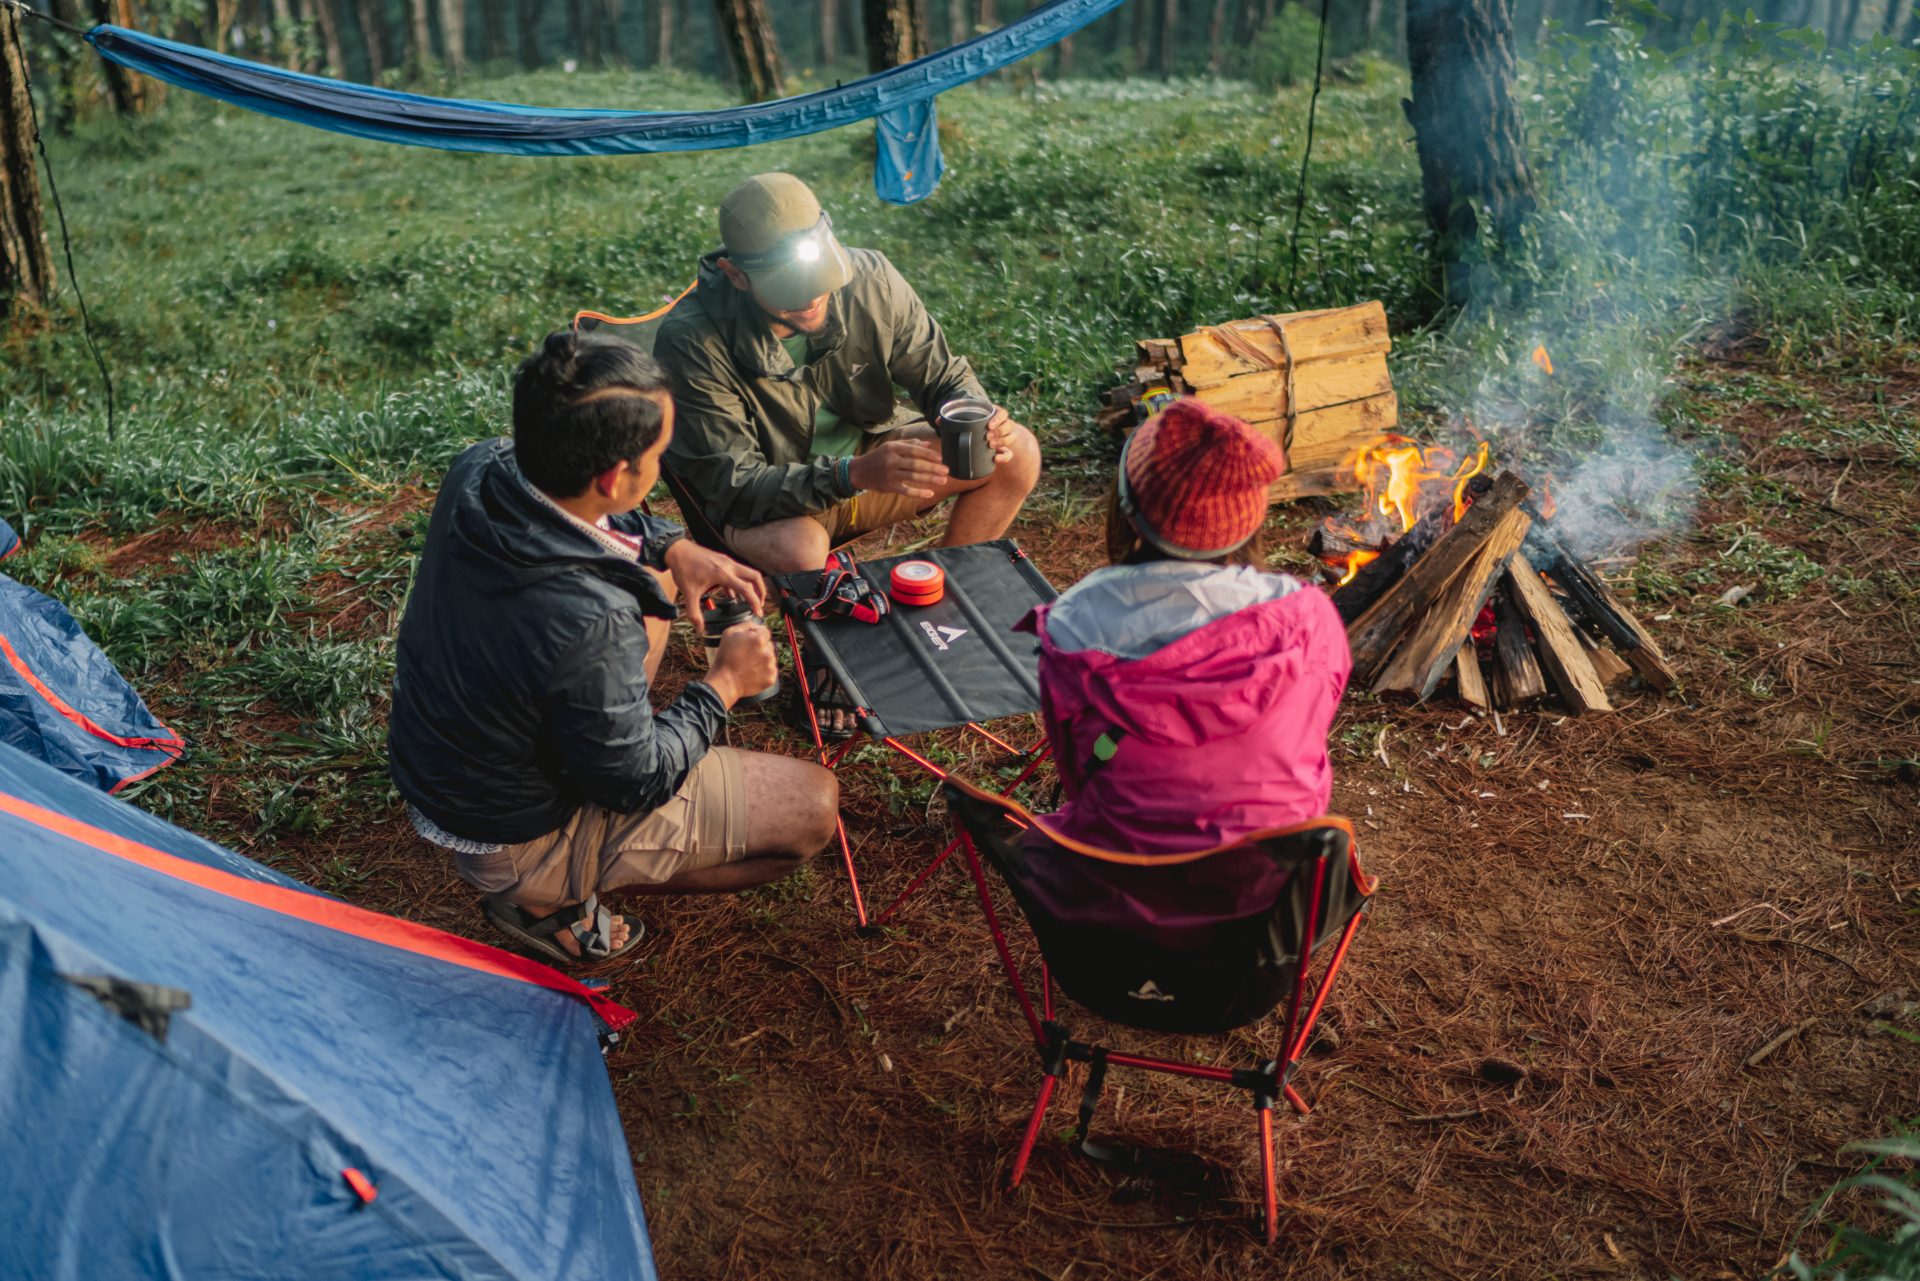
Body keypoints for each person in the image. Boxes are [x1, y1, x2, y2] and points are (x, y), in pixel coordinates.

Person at [387, 330, 840, 967]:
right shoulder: (589, 619)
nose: (660, 467)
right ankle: (552, 898)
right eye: (657, 455)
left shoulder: (481, 465)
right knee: (812, 810)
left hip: (441, 756)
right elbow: (638, 780)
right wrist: (724, 686)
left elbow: (590, 524)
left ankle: (556, 860)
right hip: (513, 827)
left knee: (654, 581)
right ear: (613, 474)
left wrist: (671, 545)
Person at [655, 172, 1041, 575]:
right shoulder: (693, 343)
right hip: (774, 502)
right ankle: (836, 626)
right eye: (787, 291)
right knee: (799, 550)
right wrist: (850, 474)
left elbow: (942, 376)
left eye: (820, 281)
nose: (809, 298)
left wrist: (973, 413)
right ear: (735, 275)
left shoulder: (870, 280)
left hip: (870, 458)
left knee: (1017, 455)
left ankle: (947, 587)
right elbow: (737, 488)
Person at [1018, 398, 1352, 857]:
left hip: (1114, 887)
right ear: (1250, 521)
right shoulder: (1310, 617)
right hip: (1274, 893)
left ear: (1127, 508)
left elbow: (1078, 777)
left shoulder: (1072, 623)